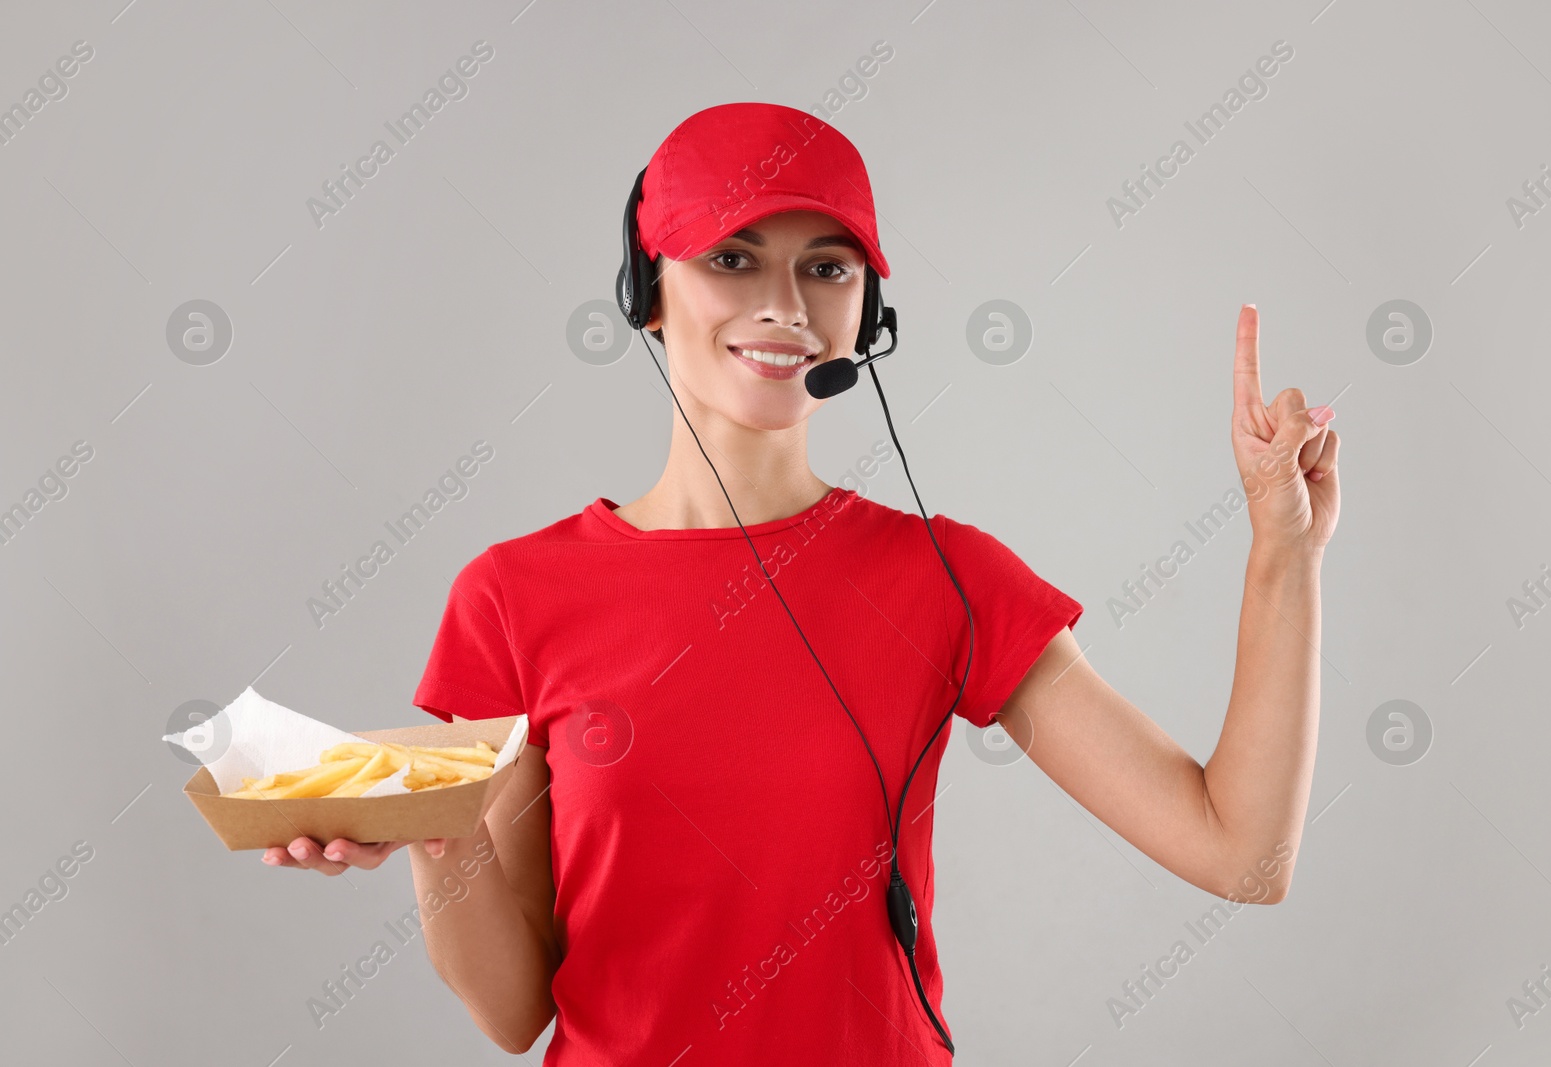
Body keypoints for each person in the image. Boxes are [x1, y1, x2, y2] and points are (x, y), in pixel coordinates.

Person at [258, 102, 1340, 1065]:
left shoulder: (944, 576)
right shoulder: (513, 596)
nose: (783, 304)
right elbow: (512, 1008)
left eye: (826, 267)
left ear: (868, 315)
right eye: (731, 258)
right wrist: (440, 839)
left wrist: (1281, 549)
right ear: (648, 294)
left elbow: (1240, 851)